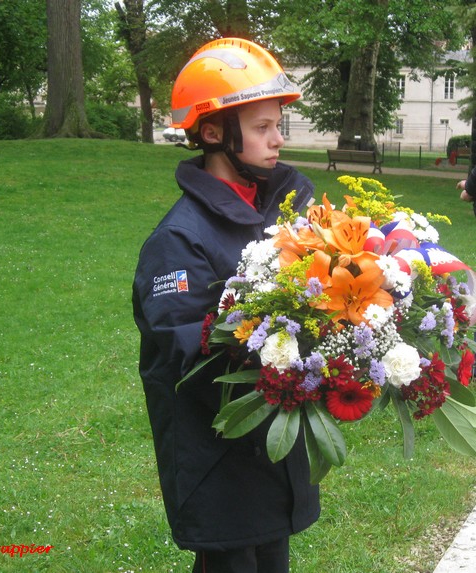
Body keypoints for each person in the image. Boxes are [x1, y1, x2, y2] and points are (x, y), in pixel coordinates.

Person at [132, 38, 319, 573]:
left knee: (271, 559)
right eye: (262, 128)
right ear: (213, 132)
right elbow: (188, 356)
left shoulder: (281, 214)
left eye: (278, 125)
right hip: (220, 463)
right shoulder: (178, 241)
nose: (278, 140)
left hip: (273, 454)